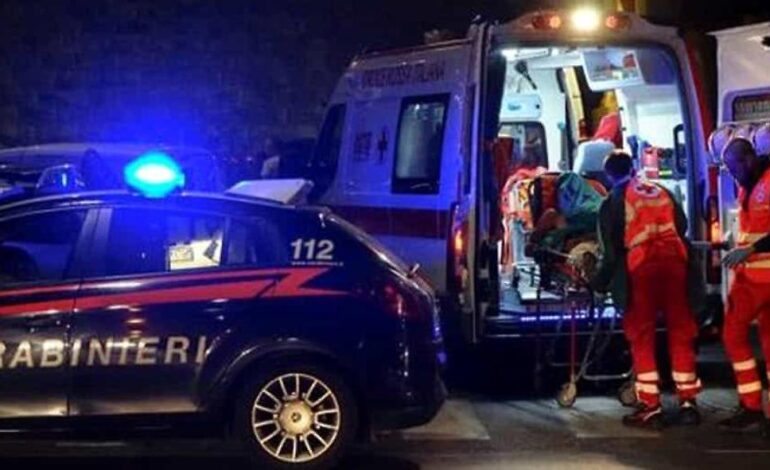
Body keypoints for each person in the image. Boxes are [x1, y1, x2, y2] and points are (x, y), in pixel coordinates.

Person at [591, 151, 703, 429]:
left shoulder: (614, 201)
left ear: (609, 176)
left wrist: (599, 284)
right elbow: (682, 225)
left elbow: (611, 251)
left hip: (642, 267)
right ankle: (688, 403)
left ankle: (651, 406)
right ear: (632, 168)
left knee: (642, 335)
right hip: (676, 263)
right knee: (681, 331)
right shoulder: (661, 190)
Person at [718, 137, 770, 436]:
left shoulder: (765, 183)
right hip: (754, 278)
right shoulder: (748, 185)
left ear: (748, 160)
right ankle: (756, 411)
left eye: (733, 167)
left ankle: (752, 407)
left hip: (756, 280)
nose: (732, 173)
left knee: (733, 335)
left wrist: (749, 250)